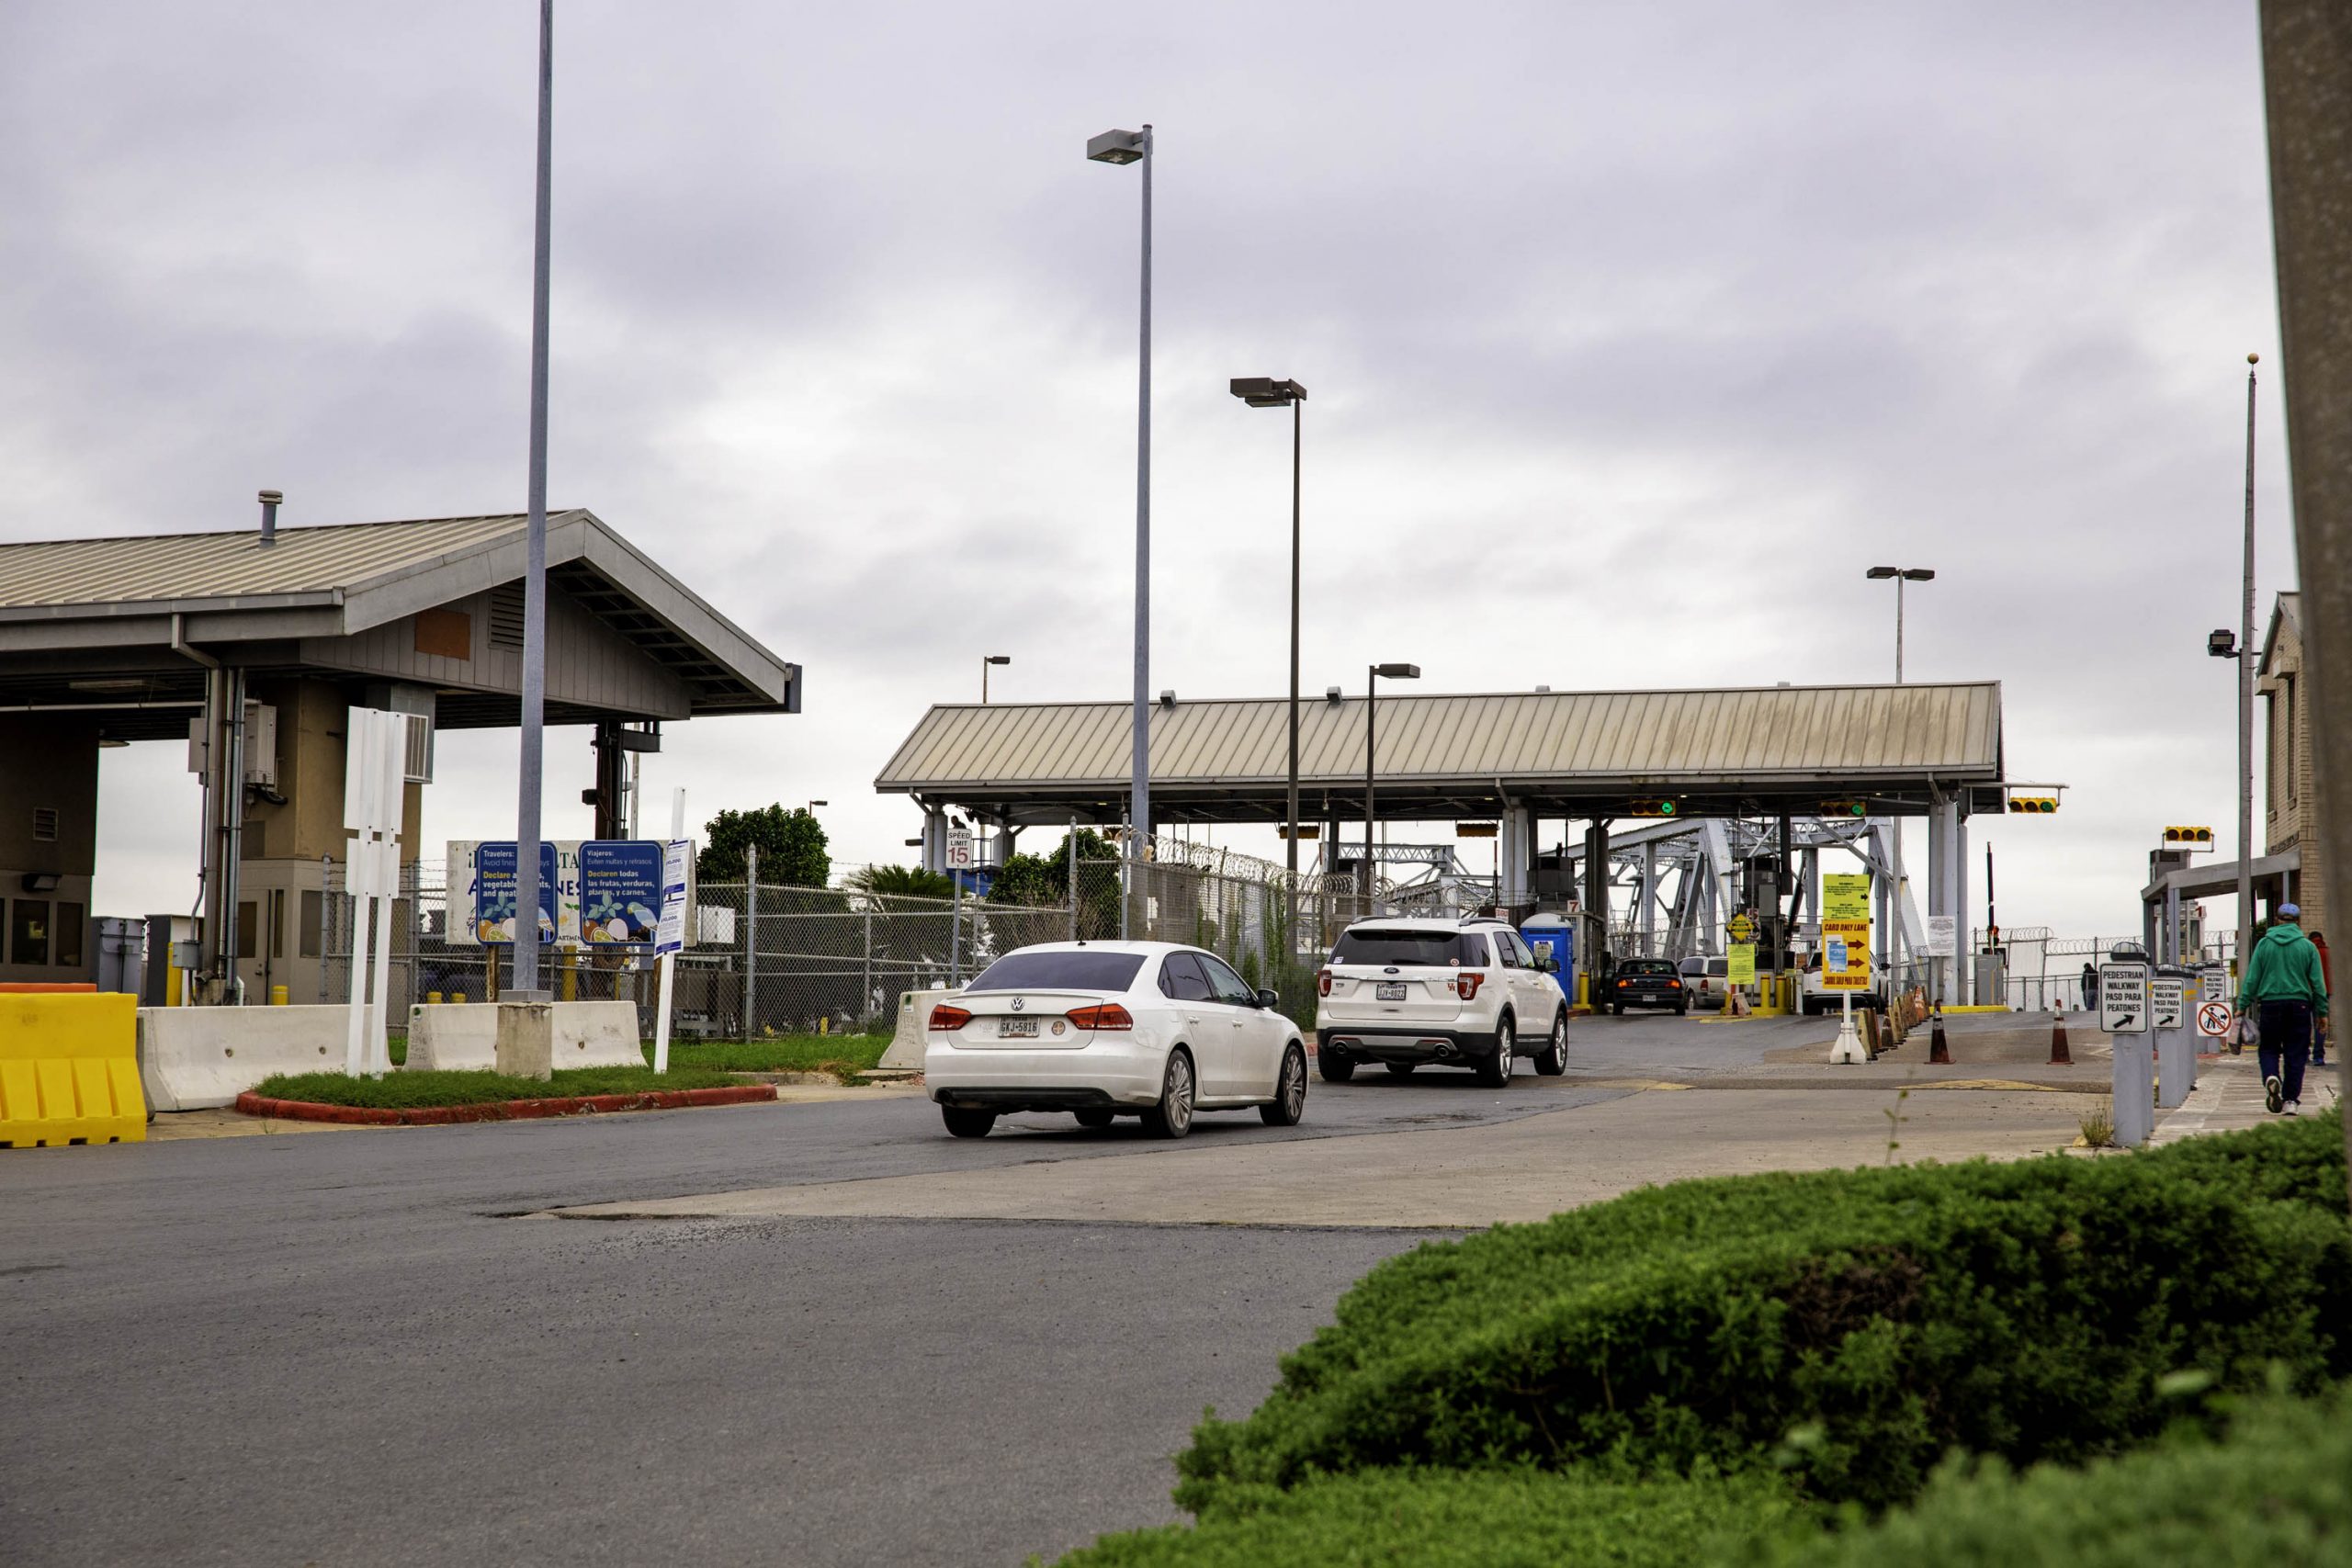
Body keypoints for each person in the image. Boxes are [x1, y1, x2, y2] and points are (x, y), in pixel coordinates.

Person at [2236, 903, 2330, 1114]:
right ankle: (2290, 1100)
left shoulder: (2264, 945)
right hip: (2300, 1006)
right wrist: (2322, 1012)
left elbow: (2252, 978)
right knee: (2295, 1054)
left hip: (2270, 1004)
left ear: (2277, 920)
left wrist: (2242, 1005)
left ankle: (2271, 1076)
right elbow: (2318, 983)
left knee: (2268, 1048)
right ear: (2298, 921)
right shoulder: (2308, 947)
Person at [2311, 930, 2333, 1068]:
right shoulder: (2328, 952)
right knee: (2321, 1024)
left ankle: (2303, 1053)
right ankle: (2318, 1056)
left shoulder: (2308, 951)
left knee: (2304, 1025)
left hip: (2307, 992)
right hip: (2324, 992)